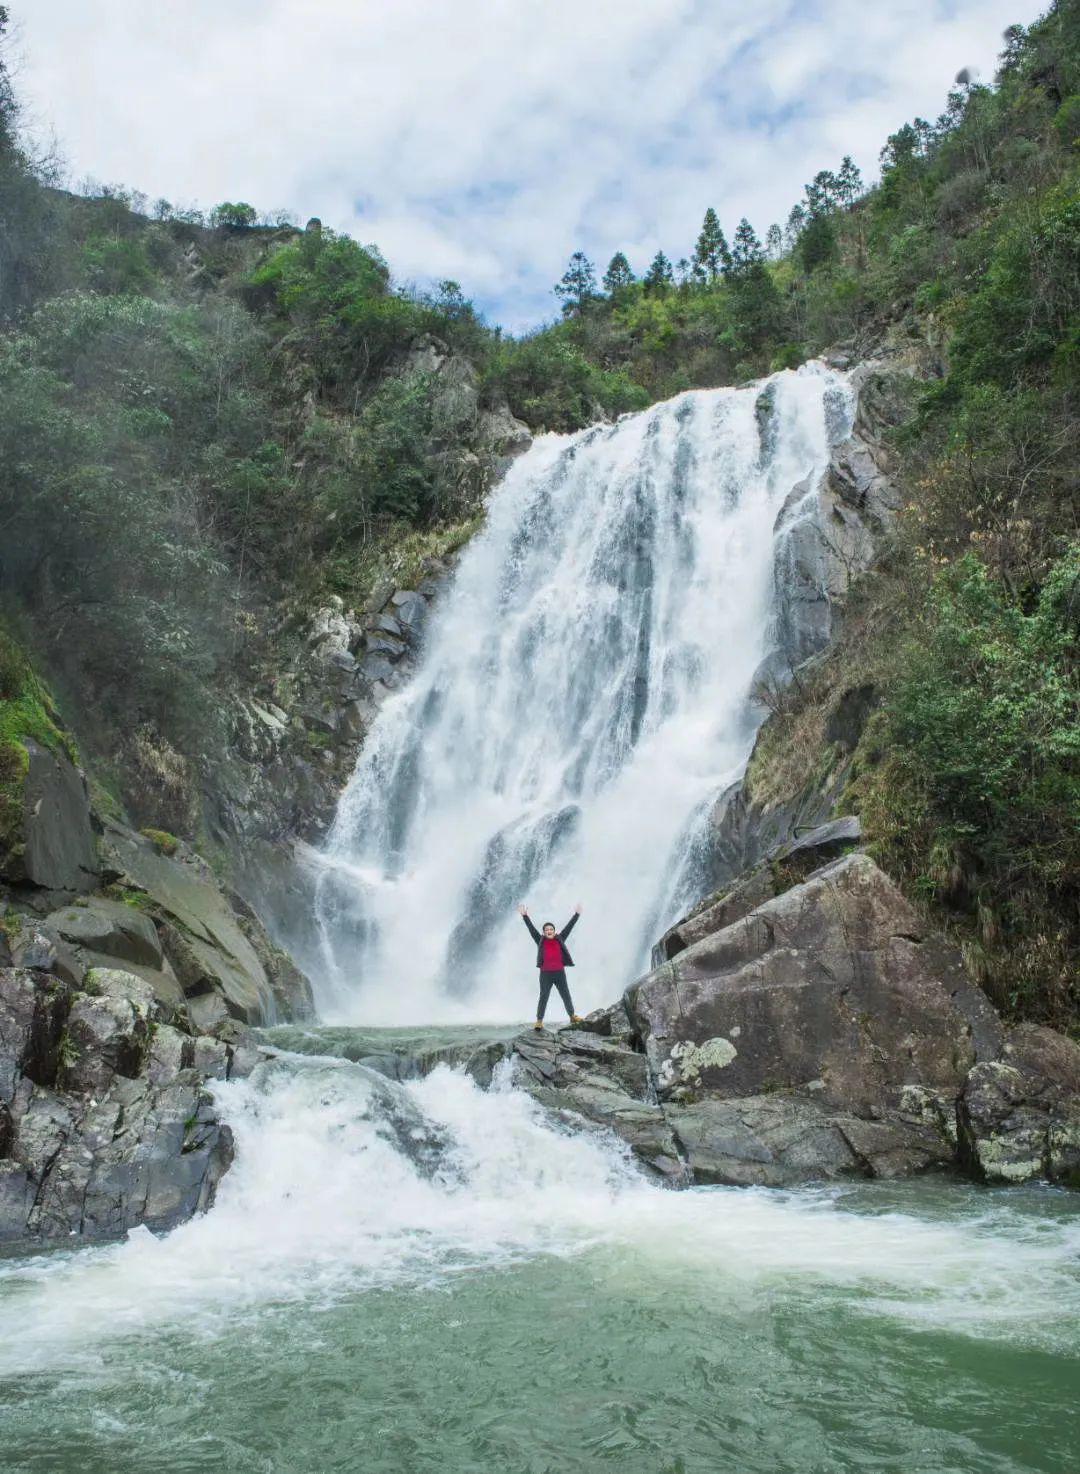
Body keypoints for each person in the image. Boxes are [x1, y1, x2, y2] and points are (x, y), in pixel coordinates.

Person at [518, 903, 583, 1030]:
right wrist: (525, 916)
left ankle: (572, 1016)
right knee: (544, 996)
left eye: (551, 929)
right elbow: (531, 930)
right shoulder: (540, 940)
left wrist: (577, 914)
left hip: (559, 973)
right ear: (544, 932)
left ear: (554, 931)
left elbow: (569, 927)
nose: (549, 931)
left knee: (566, 995)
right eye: (546, 930)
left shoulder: (560, 938)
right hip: (545, 974)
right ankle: (539, 1021)